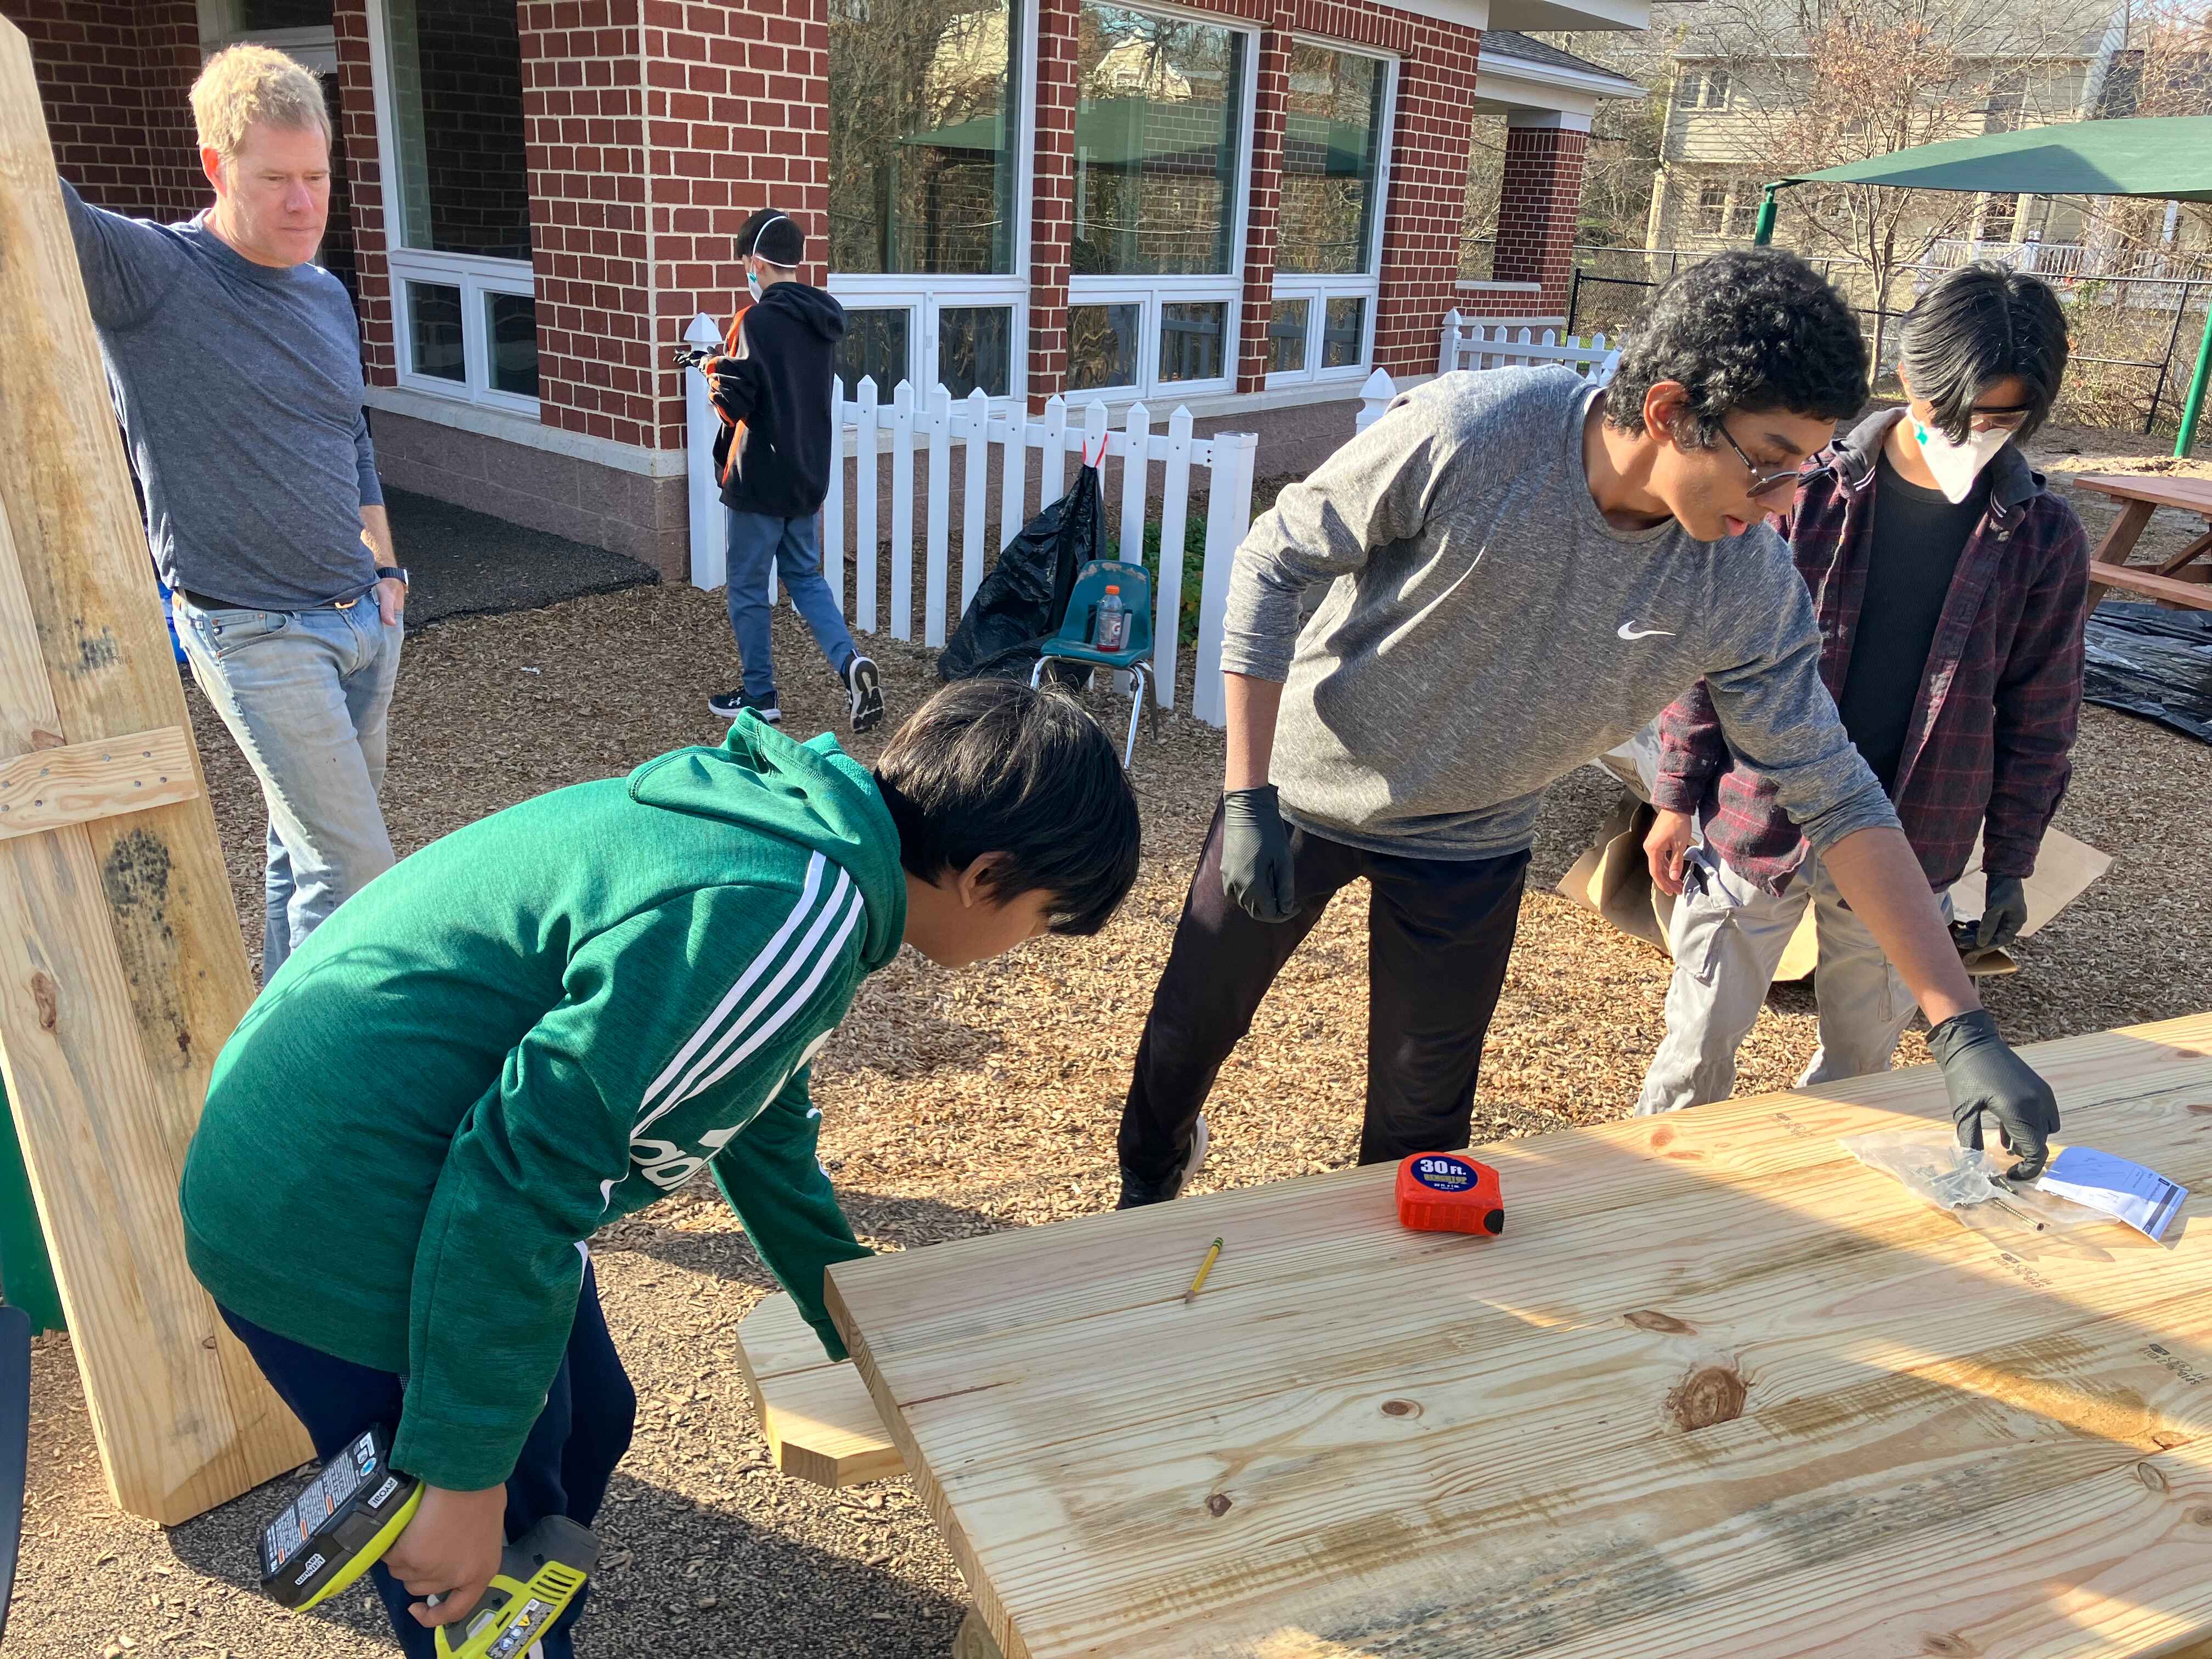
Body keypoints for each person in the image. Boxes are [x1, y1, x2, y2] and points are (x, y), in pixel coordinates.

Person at [180, 680, 1139, 1658]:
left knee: (594, 1412)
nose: (1025, 946)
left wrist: (858, 1311)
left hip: (352, 1145)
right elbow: (522, 1179)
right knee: (469, 1549)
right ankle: (486, 1598)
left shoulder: (806, 841)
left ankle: (516, 1562)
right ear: (985, 876)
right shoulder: (784, 914)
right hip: (334, 1212)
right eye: (1043, 918)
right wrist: (463, 1475)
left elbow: (755, 1117)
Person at [1115, 249, 2062, 1212]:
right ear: (1665, 411)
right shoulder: (1475, 434)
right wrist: (1246, 791)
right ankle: (1145, 1181)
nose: (1784, 502)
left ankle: (1376, 1305)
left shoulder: (1743, 579)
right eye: (1768, 463)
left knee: (1420, 1118)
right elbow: (1276, 557)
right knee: (1192, 1028)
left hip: (1469, 837)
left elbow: (1834, 786)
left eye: (1802, 468)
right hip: (1302, 795)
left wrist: (1959, 1027)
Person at [1634, 264, 2087, 1117]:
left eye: (2002, 420)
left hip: (1915, 845)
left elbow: (2043, 712)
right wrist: (1672, 794)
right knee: (1694, 1058)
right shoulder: (1801, 492)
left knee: (1862, 1075)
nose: (1974, 434)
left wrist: (2012, 862)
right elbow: (1709, 650)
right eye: (1954, 412)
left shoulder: (2044, 536)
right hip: (1755, 818)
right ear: (1908, 374)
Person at [58, 44, 405, 981]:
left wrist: (387, 568)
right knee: (358, 873)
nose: (305, 203)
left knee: (305, 853)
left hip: (361, 618)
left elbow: (353, 435)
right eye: (276, 179)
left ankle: (267, 1051)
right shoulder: (151, 273)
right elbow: (29, 188)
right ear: (217, 168)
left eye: (317, 177)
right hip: (253, 631)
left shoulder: (327, 293)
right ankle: (324, 1098)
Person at [700, 207, 882, 733]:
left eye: (744, 266)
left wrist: (712, 367)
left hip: (757, 479)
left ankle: (760, 696)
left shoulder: (753, 321)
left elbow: (736, 404)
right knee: (805, 577)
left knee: (750, 588)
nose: (746, 276)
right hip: (806, 476)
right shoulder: (823, 321)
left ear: (756, 263)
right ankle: (850, 664)